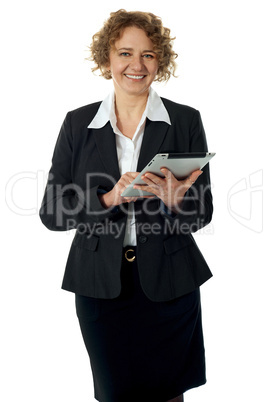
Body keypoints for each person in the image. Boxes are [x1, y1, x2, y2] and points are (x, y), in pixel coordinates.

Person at [39, 9, 213, 402]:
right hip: (100, 285)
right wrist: (108, 199)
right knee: (115, 393)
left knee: (169, 394)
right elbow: (52, 212)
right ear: (106, 60)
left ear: (160, 63)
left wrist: (177, 203)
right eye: (125, 54)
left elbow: (203, 212)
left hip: (170, 283)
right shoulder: (77, 124)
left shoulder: (185, 120)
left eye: (149, 55)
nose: (137, 65)